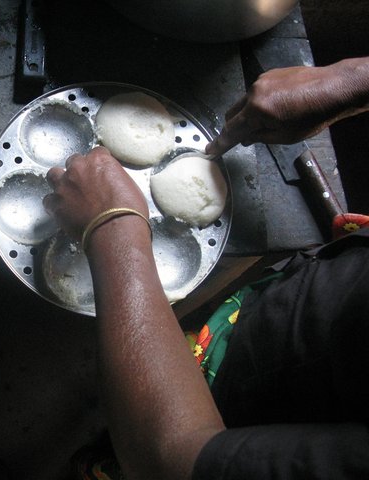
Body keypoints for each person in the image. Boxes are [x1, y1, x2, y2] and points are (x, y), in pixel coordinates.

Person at [43, 57, 369, 480]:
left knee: (138, 442)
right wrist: (352, 82)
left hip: (259, 419)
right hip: (310, 303)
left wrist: (112, 227)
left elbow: (172, 462)